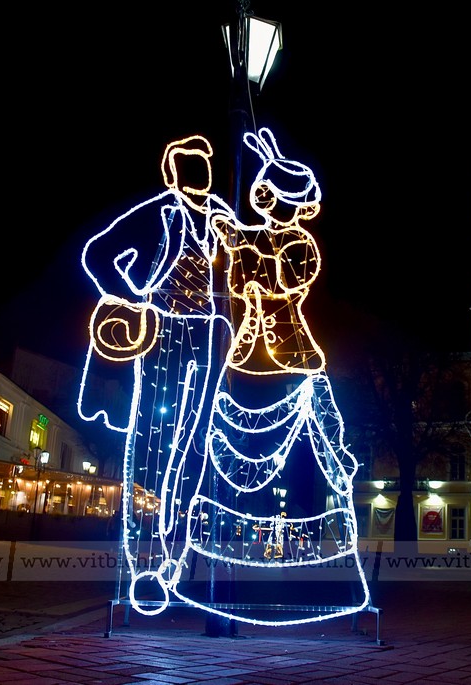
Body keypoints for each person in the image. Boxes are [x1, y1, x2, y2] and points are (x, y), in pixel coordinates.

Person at [178, 127, 370, 624]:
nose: (265, 200)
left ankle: (335, 560)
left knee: (322, 426)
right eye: (264, 191)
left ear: (295, 204)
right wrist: (224, 234)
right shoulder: (249, 237)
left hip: (294, 354)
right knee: (216, 434)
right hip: (246, 357)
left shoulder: (300, 244)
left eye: (273, 194)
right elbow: (238, 282)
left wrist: (241, 243)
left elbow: (282, 280)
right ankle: (206, 563)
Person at [77, 135, 234, 614]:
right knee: (151, 436)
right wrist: (133, 298)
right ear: (174, 174)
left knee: (197, 439)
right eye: (190, 166)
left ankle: (176, 555)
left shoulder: (223, 220)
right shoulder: (159, 212)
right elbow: (98, 253)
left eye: (203, 166)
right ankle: (143, 560)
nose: (200, 174)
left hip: (211, 331)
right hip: (164, 326)